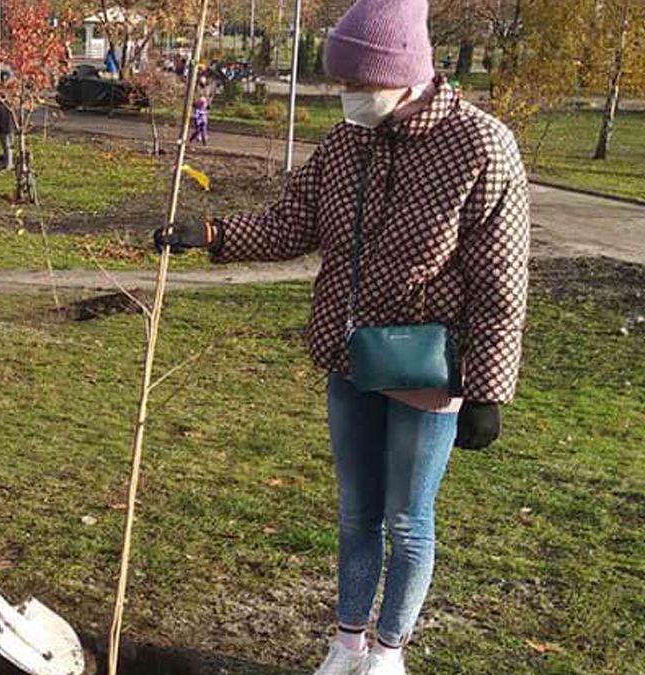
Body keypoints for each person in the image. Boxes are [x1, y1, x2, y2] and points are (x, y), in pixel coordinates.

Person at [154, 0, 530, 673]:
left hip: (426, 363)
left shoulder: (481, 146)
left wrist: (488, 389)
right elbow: (291, 224)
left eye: (357, 85)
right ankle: (347, 640)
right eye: (340, 84)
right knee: (357, 511)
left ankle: (389, 653)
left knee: (408, 520)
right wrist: (211, 234)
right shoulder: (345, 145)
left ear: (404, 74)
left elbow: (501, 281)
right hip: (349, 355)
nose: (346, 98)